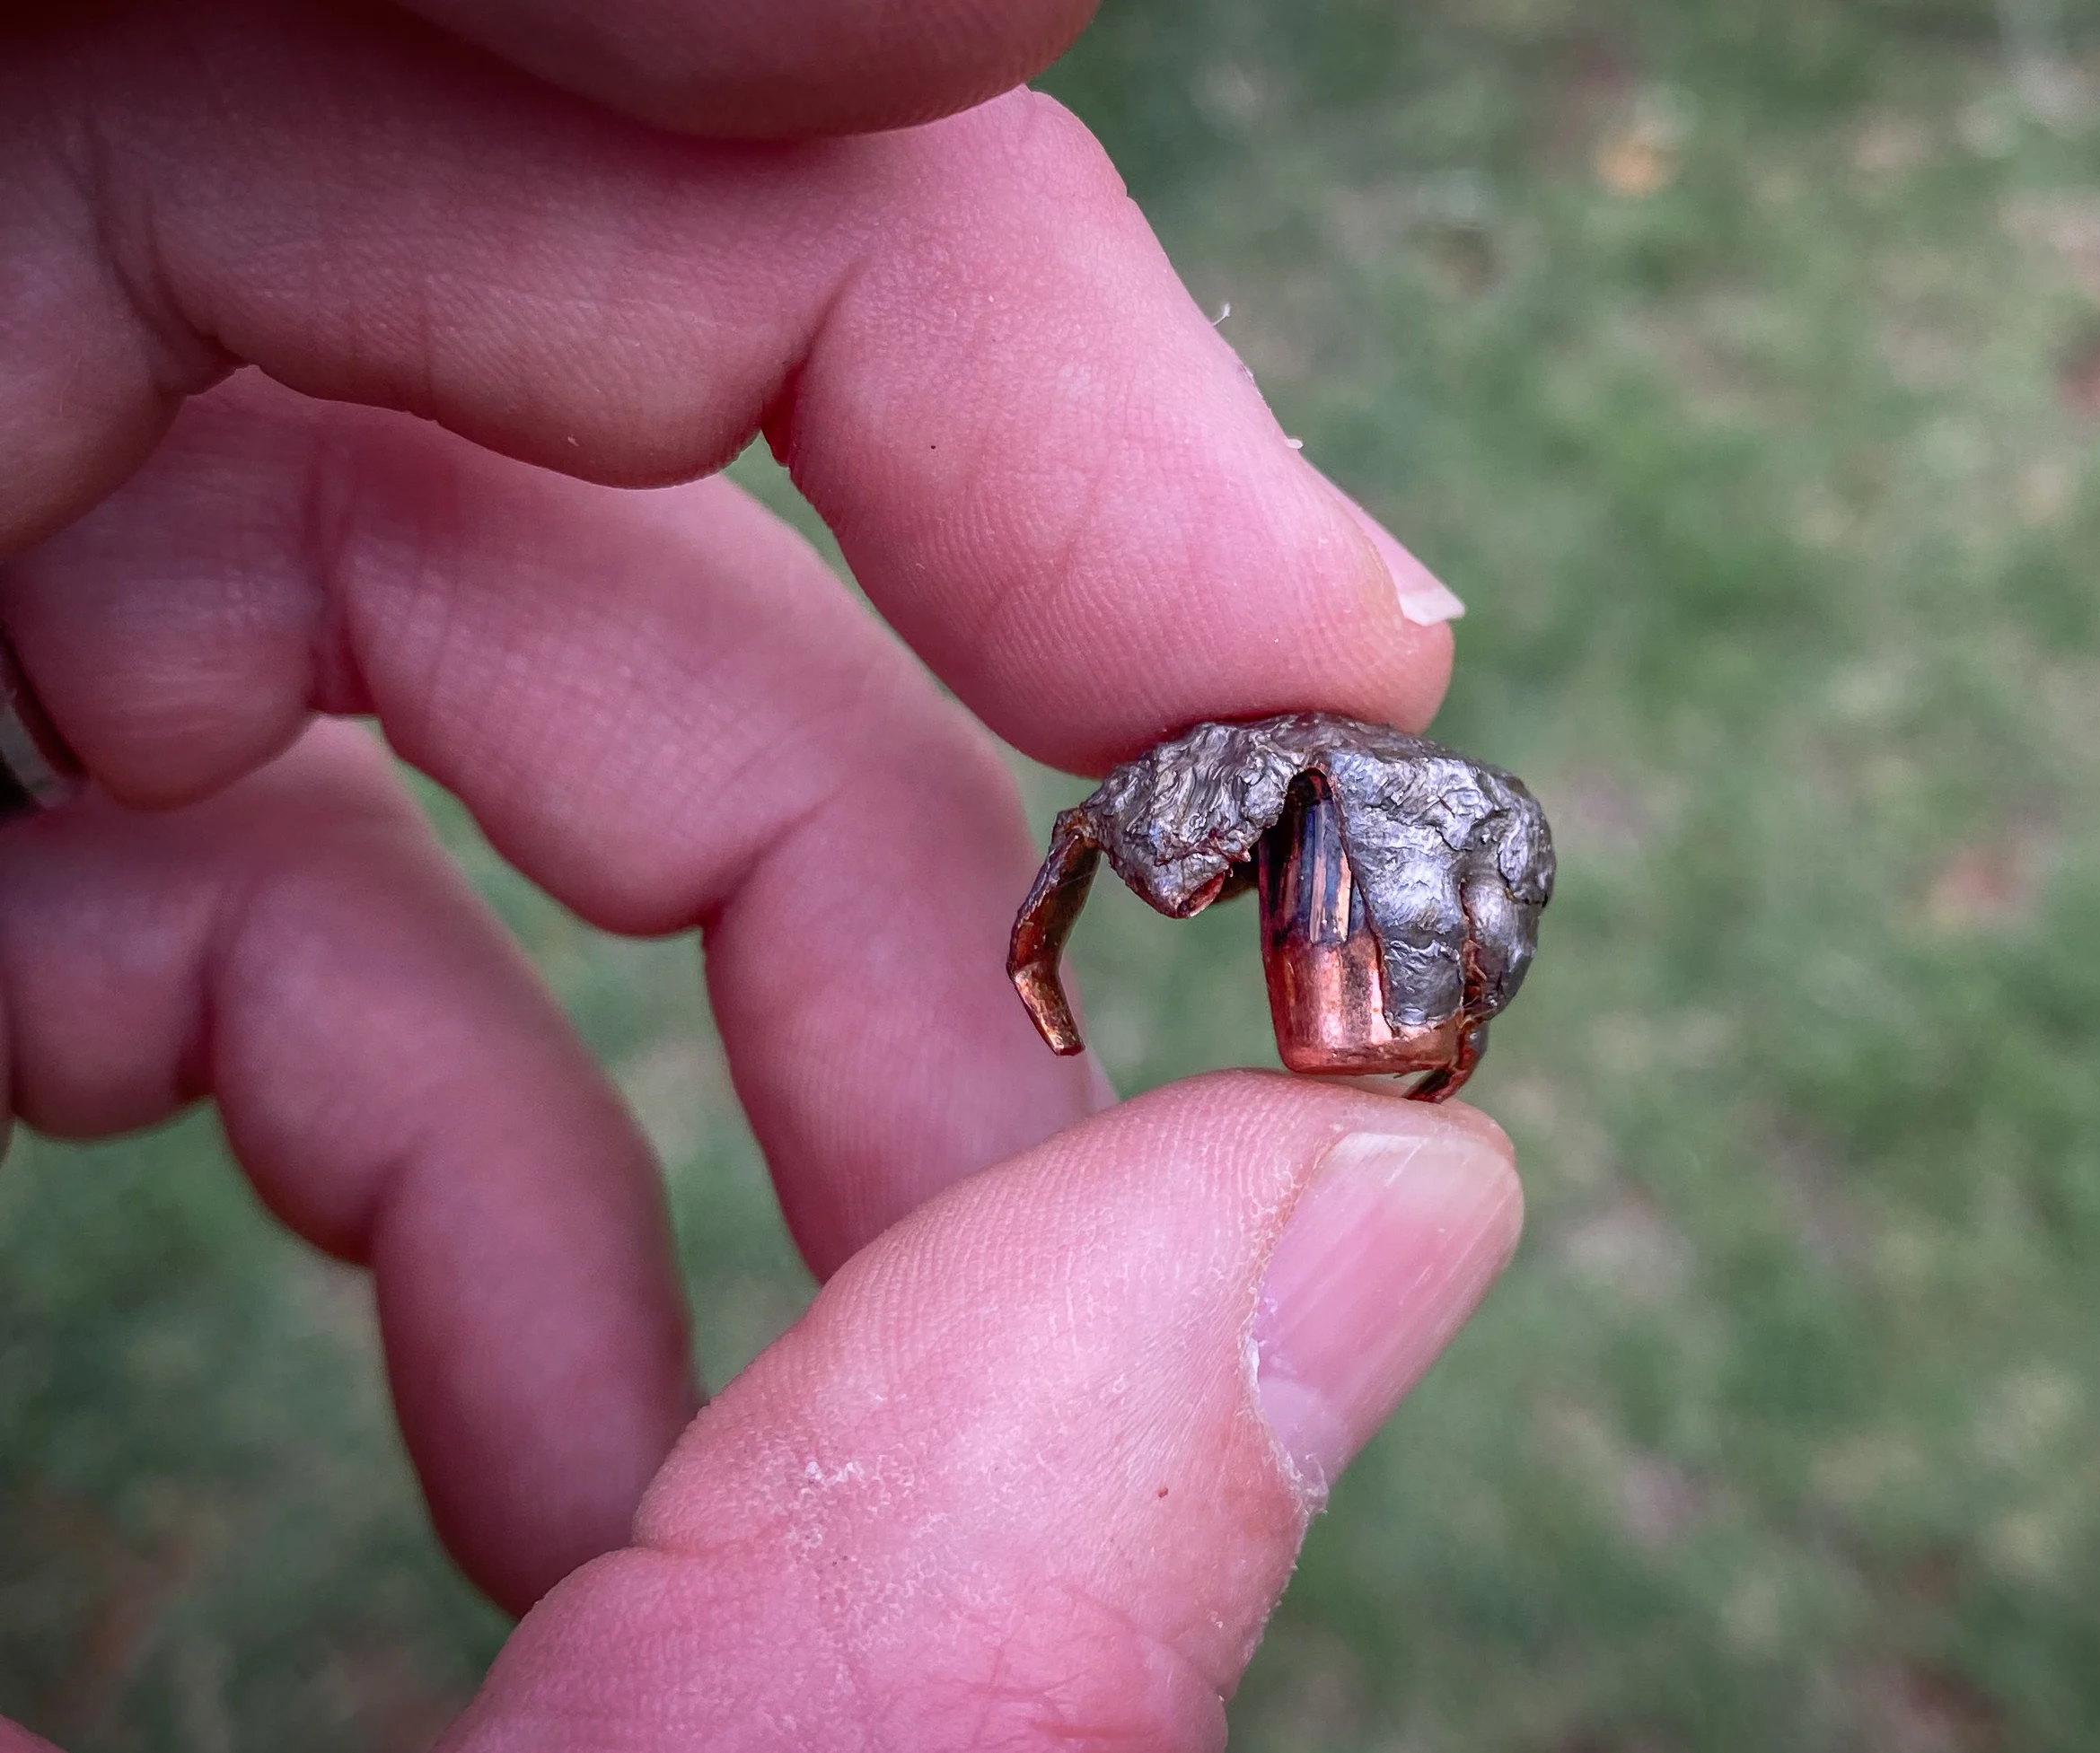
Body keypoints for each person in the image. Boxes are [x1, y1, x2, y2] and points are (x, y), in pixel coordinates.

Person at [0, 1, 1522, 1744]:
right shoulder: (1232, 804)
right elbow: (1122, 843)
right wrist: (1044, 965)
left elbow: (1180, 859)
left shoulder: (1363, 832)